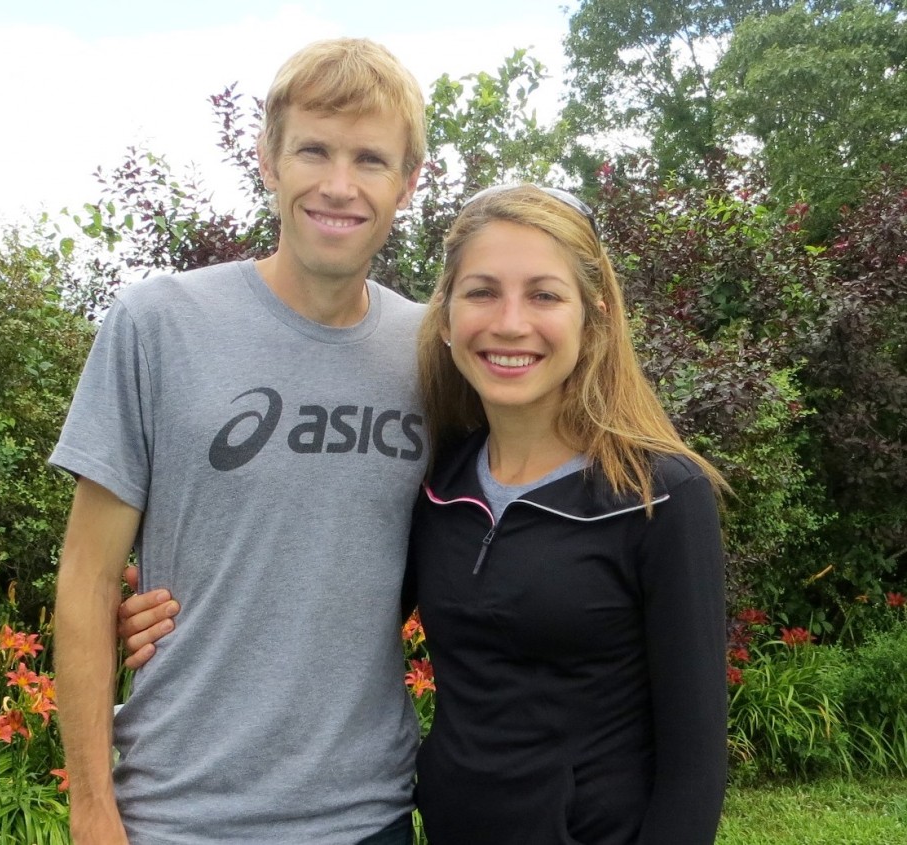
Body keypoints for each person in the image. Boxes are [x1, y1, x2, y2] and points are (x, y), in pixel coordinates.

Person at [125, 184, 730, 844]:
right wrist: (164, 612)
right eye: (482, 291)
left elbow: (694, 764)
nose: (509, 321)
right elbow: (334, 607)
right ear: (444, 317)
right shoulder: (438, 483)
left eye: (544, 295)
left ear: (597, 316)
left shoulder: (660, 493)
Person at [51, 38, 429, 845]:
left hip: (368, 817)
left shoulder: (432, 353)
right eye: (313, 150)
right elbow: (85, 581)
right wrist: (92, 812)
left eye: (370, 158)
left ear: (409, 181)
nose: (338, 184)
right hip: (178, 816)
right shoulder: (158, 324)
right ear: (268, 159)